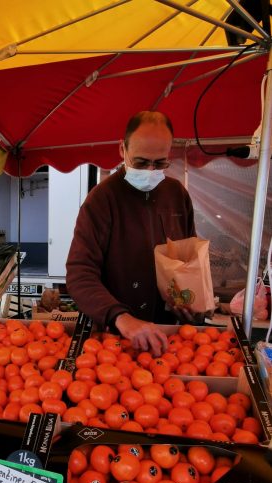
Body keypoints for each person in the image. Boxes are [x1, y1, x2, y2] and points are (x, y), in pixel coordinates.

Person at [66, 110, 196, 356]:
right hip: (113, 340)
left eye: (159, 163)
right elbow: (79, 274)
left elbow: (188, 259)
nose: (149, 170)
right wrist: (121, 318)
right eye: (140, 162)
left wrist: (189, 299)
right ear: (122, 149)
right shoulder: (102, 199)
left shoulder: (177, 194)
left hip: (169, 338)